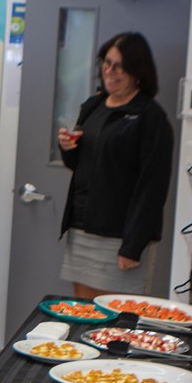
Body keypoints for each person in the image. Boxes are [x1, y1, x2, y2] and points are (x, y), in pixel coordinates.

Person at [57, 32, 174, 299]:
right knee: (83, 314)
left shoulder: (150, 117)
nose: (109, 71)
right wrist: (66, 147)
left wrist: (133, 245)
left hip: (119, 235)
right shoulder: (93, 105)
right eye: (106, 63)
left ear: (137, 72)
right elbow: (81, 164)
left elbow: (153, 187)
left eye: (119, 66)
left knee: (116, 318)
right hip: (81, 227)